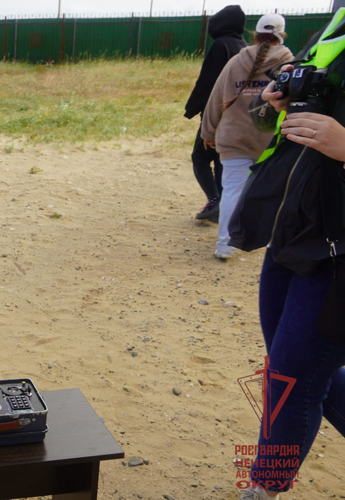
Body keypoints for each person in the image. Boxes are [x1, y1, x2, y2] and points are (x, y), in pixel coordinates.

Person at [228, 9, 345, 500]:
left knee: (290, 379)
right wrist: (285, 95)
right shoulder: (338, 22)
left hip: (337, 252)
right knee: (300, 371)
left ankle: (263, 488)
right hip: (293, 231)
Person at [201, 14, 292, 260]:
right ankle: (273, 246)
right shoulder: (290, 63)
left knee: (231, 191)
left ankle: (225, 246)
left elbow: (216, 97)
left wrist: (208, 132)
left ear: (255, 33)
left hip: (234, 137)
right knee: (276, 192)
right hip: (271, 140)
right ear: (281, 35)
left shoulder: (235, 61)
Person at [185, 5, 247, 222]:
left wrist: (192, 108)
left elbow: (208, 81)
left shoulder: (221, 45)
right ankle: (221, 204)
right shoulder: (244, 46)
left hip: (216, 114)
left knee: (199, 159)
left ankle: (215, 200)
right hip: (237, 116)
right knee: (222, 161)